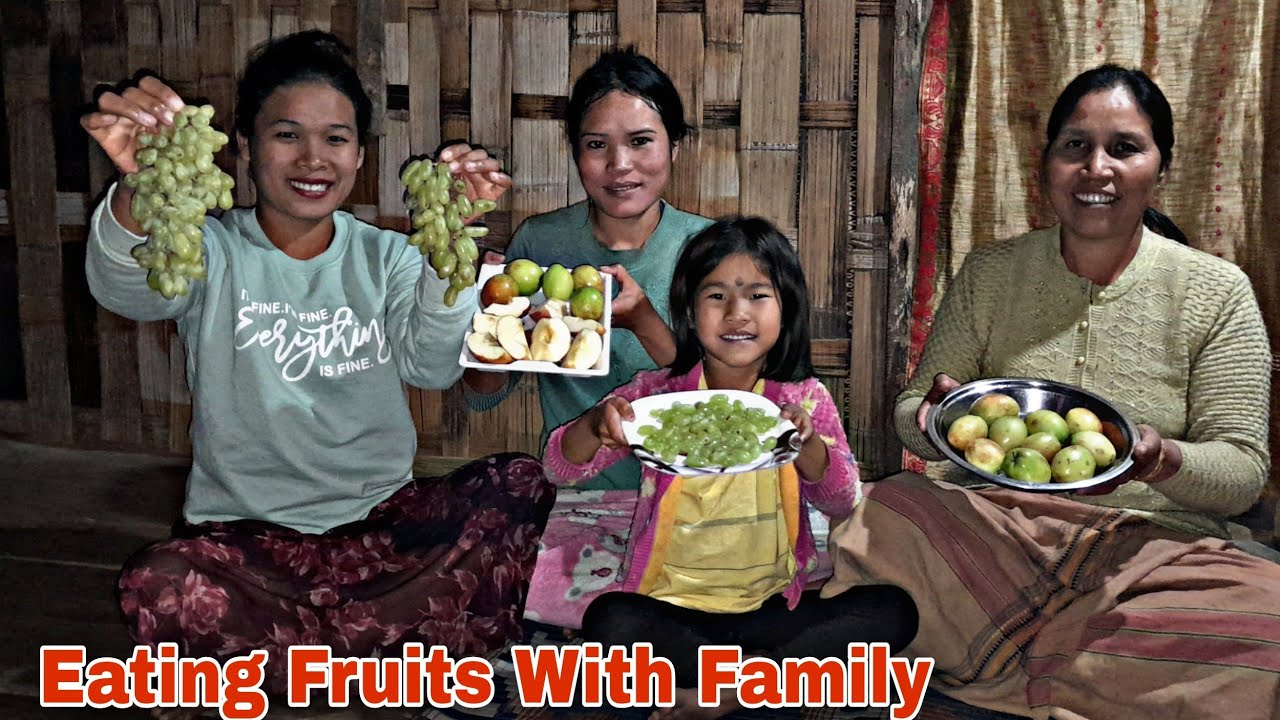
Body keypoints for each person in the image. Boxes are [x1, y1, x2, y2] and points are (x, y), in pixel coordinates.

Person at [81, 30, 554, 693]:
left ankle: (297, 655)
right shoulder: (209, 250)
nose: (313, 158)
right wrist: (135, 191)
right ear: (245, 146)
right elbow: (125, 289)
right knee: (158, 582)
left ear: (359, 155)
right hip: (250, 545)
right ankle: (390, 648)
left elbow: (429, 368)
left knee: (521, 484)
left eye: (335, 138)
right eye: (286, 135)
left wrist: (452, 251)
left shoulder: (387, 257)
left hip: (380, 536)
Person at [823, 64, 1279, 718]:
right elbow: (917, 404)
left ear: (1161, 167)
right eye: (1075, 147)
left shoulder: (1218, 291)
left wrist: (1164, 461)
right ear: (1047, 165)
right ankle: (1086, 672)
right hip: (993, 529)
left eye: (1124, 148)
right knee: (889, 513)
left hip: (1154, 547)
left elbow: (1242, 471)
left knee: (1267, 626)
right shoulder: (990, 273)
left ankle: (1009, 662)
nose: (1097, 167)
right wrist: (928, 420)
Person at [544, 217, 919, 720]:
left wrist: (805, 444)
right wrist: (596, 424)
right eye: (716, 296)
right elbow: (558, 469)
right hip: (670, 611)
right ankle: (759, 684)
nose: (738, 313)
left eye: (758, 295)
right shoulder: (655, 396)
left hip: (770, 611)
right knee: (609, 621)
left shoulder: (802, 399)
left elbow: (842, 500)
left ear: (786, 310)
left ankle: (725, 692)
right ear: (689, 309)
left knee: (894, 613)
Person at [465, 47, 713, 490]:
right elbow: (484, 395)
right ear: (576, 152)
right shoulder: (541, 243)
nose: (619, 165)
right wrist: (486, 313)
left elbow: (727, 397)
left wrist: (644, 323)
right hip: (573, 494)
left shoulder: (711, 251)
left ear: (674, 145)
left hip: (693, 494)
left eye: (640, 141)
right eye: (597, 145)